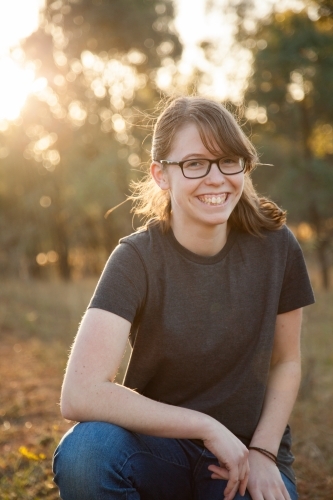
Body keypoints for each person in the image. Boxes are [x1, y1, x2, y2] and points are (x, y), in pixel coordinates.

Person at [53, 96, 314, 500]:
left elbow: (287, 362)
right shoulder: (135, 258)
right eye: (195, 163)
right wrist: (206, 426)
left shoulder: (276, 247)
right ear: (161, 174)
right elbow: (80, 392)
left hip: (245, 454)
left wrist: (263, 451)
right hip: (160, 450)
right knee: (87, 453)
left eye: (229, 161)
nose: (216, 178)